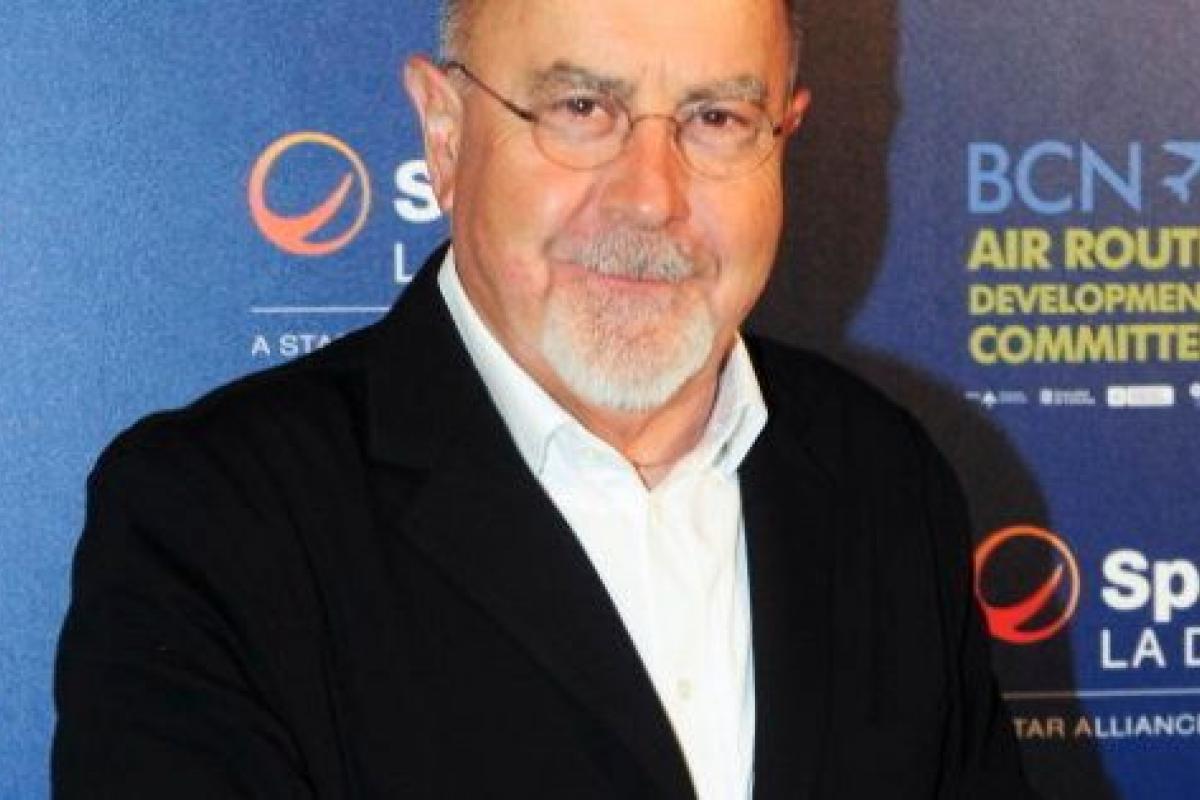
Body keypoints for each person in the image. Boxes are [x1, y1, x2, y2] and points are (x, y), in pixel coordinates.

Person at [53, 0, 1036, 797]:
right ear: (445, 134)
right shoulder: (213, 521)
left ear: (784, 136)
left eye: (716, 119)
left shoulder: (885, 478)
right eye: (581, 108)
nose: (651, 196)